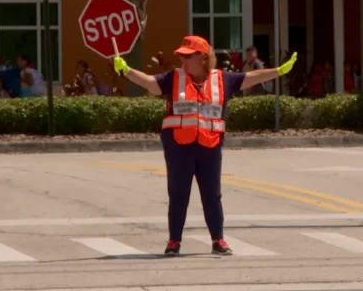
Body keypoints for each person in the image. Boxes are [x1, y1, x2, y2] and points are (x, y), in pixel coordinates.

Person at [112, 35, 297, 256]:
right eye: (182, 55)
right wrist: (126, 70)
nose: (183, 59)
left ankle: (218, 240)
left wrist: (278, 71)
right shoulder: (174, 77)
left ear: (203, 57)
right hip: (179, 147)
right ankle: (174, 242)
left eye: (188, 55)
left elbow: (251, 77)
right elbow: (151, 84)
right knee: (178, 195)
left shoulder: (222, 79)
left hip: (210, 146)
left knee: (212, 195)